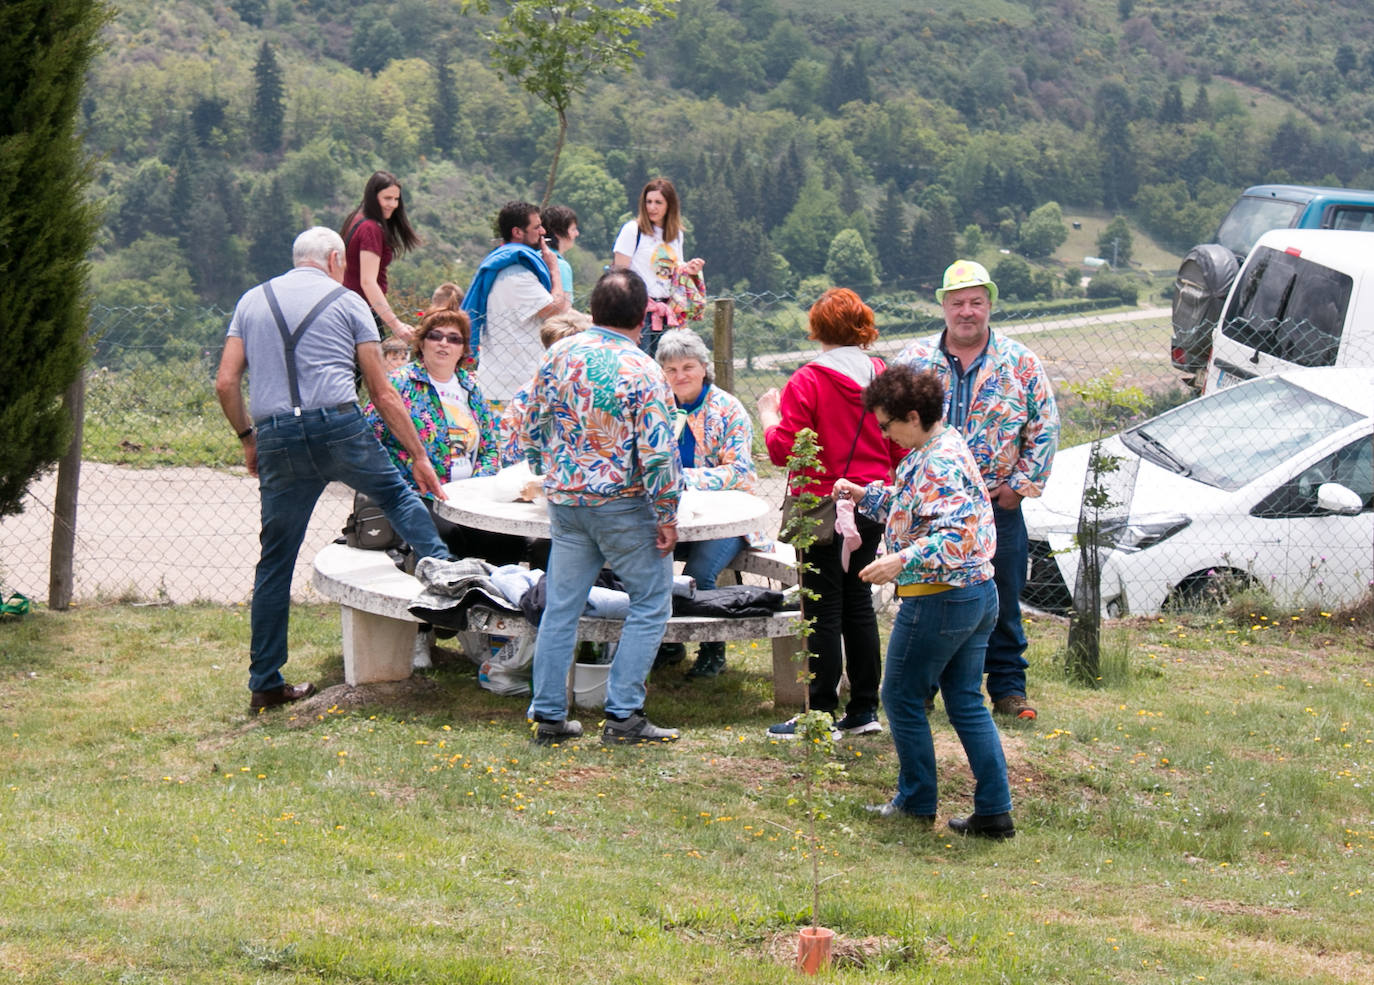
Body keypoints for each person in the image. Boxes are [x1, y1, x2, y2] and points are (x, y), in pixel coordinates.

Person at [215, 227, 450, 711]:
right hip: (339, 426)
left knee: (275, 561)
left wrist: (248, 438)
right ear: (335, 259)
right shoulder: (348, 305)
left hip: (277, 433)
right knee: (398, 498)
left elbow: (225, 382)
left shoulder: (251, 302)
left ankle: (265, 682)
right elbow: (383, 393)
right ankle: (452, 589)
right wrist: (419, 456)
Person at [833, 365, 1013, 840]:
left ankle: (915, 801)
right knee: (966, 702)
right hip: (976, 594)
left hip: (940, 598)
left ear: (912, 416)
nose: (884, 434)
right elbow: (916, 504)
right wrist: (865, 494)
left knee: (901, 697)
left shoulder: (938, 461)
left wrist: (901, 561)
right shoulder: (938, 445)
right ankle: (995, 811)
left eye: (887, 425)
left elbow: (956, 533)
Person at [521, 268, 682, 746]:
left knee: (561, 608)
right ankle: (623, 716)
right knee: (652, 601)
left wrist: (549, 468)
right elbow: (657, 452)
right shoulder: (644, 368)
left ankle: (549, 716)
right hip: (625, 505)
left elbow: (531, 425)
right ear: (641, 317)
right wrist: (667, 513)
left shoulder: (558, 356)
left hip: (566, 502)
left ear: (592, 310)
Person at [894, 260, 1059, 721]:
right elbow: (887, 421)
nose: (967, 311)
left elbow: (1044, 427)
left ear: (989, 305)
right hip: (930, 509)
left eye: (976, 303)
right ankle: (922, 688)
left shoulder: (1020, 362)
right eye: (958, 302)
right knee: (925, 595)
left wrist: (1019, 489)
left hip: (995, 505)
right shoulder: (914, 361)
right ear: (943, 306)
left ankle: (1008, 689)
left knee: (1002, 597)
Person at [757, 288, 905, 738]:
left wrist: (768, 414)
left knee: (820, 608)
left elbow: (786, 451)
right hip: (870, 502)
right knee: (859, 604)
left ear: (818, 329)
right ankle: (864, 709)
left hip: (820, 506)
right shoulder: (882, 376)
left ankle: (818, 711)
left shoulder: (810, 379)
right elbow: (898, 445)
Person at [363, 306, 526, 566]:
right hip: (418, 495)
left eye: (454, 338)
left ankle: (492, 602)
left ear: (462, 349)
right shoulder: (398, 384)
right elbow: (369, 440)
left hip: (469, 497)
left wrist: (474, 488)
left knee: (507, 538)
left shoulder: (469, 386)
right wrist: (398, 482)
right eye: (435, 336)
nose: (444, 343)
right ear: (422, 342)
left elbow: (489, 447)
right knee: (448, 535)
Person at [654, 327, 762, 680]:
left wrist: (685, 479)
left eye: (687, 367)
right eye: (671, 370)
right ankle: (668, 643)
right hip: (671, 516)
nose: (679, 376)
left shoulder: (727, 409)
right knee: (645, 566)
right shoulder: (658, 408)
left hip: (725, 518)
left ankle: (712, 650)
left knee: (698, 575)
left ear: (703, 367)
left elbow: (739, 471)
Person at [461, 201, 570, 405]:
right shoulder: (516, 274)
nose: (543, 231)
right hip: (512, 386)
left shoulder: (507, 265)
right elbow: (556, 308)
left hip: (507, 381)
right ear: (517, 232)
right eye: (536, 227)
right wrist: (554, 268)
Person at [612, 178, 705, 358]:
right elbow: (619, 273)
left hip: (667, 310)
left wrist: (690, 270)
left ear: (669, 205)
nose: (652, 207)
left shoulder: (676, 234)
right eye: (649, 202)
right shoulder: (633, 230)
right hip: (638, 308)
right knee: (638, 362)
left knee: (665, 366)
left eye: (658, 202)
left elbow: (675, 270)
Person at [340, 170, 420, 343]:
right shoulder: (371, 229)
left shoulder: (356, 218)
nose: (392, 204)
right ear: (373, 197)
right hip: (363, 313)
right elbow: (368, 282)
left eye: (396, 199)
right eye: (387, 198)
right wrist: (396, 325)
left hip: (347, 308)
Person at [540, 204, 579, 295]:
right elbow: (564, 307)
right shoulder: (560, 265)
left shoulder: (534, 256)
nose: (577, 234)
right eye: (573, 229)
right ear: (557, 232)